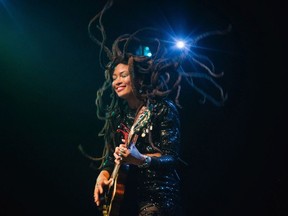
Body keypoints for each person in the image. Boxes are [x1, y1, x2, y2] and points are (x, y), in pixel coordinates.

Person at [83, 1, 229, 215]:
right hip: (126, 200)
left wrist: (141, 159)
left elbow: (171, 157)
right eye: (114, 78)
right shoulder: (120, 114)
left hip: (157, 200)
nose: (116, 81)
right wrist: (104, 173)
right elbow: (112, 154)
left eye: (123, 75)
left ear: (138, 79)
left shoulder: (161, 109)